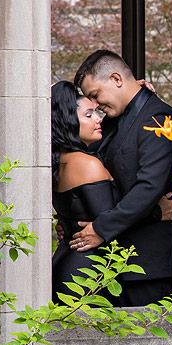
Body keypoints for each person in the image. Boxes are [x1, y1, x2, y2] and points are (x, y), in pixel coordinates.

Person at [71, 49, 172, 307]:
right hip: (115, 265)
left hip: (148, 269)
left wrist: (100, 229)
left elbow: (150, 186)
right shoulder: (110, 122)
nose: (95, 105)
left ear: (117, 79)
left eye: (95, 95)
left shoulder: (157, 117)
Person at [50, 80, 118, 300]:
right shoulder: (87, 164)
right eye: (89, 115)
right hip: (86, 272)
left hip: (68, 263)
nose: (99, 119)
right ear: (69, 122)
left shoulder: (60, 161)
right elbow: (111, 223)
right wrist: (158, 211)